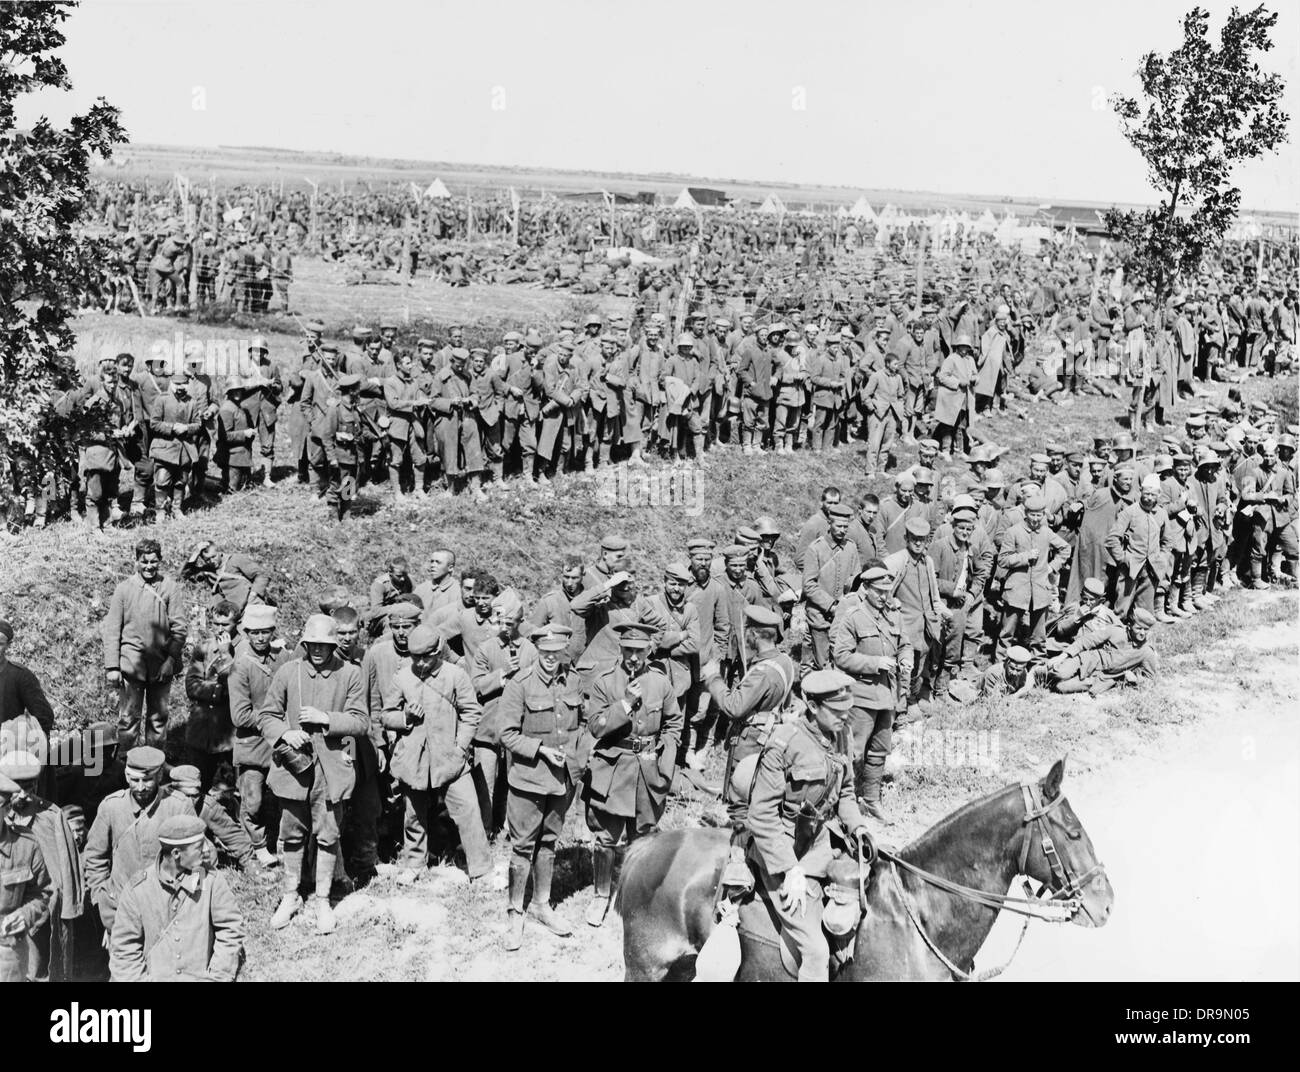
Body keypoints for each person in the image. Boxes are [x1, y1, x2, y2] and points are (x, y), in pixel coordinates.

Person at [744, 668, 869, 982]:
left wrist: (858, 828)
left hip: (820, 842)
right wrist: (789, 869)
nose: (845, 717)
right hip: (782, 849)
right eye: (837, 711)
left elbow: (848, 792)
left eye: (848, 710)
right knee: (815, 949)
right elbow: (761, 817)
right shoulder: (783, 744)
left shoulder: (841, 735)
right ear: (812, 707)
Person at [255, 614, 368, 935]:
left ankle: (322, 901)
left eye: (325, 645)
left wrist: (326, 718)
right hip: (294, 768)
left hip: (331, 770)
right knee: (290, 834)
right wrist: (285, 734)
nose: (318, 650)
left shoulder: (350, 675)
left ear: (334, 645)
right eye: (312, 644)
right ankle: (290, 896)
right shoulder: (289, 672)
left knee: (328, 834)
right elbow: (268, 714)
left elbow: (361, 722)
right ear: (304, 644)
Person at [581, 621, 681, 927]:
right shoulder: (605, 682)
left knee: (643, 836)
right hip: (614, 768)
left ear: (649, 650)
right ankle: (601, 896)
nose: (634, 657)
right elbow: (595, 726)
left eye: (639, 651)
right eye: (628, 650)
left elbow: (674, 724)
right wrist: (624, 704)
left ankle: (636, 895)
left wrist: (665, 761)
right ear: (620, 648)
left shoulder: (661, 683)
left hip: (648, 769)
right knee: (606, 837)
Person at [380, 625, 491, 886]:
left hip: (450, 758)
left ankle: (481, 869)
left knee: (468, 811)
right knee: (413, 814)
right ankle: (414, 863)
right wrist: (404, 717)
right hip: (414, 758)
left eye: (425, 657)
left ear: (438, 651)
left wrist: (460, 747)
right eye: (414, 657)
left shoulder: (455, 676)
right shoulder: (403, 677)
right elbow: (386, 715)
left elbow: (471, 713)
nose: (420, 663)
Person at [498, 624, 585, 951]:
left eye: (556, 653)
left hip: (562, 782)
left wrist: (578, 757)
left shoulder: (573, 681)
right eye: (545, 653)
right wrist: (540, 749)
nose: (551, 659)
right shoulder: (519, 684)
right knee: (523, 847)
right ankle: (515, 911)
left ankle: (541, 905)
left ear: (564, 651)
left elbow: (583, 723)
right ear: (536, 650)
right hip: (528, 780)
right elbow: (505, 734)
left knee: (549, 843)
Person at [108, 813, 244, 981]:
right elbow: (124, 949)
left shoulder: (210, 879)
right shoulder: (138, 890)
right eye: (199, 847)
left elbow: (230, 929)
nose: (207, 850)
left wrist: (217, 977)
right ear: (176, 853)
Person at [82, 746, 196, 943]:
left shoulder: (178, 806)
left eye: (148, 780)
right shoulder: (111, 807)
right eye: (135, 780)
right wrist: (105, 908)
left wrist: (188, 900)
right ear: (126, 776)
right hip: (121, 911)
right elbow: (94, 859)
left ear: (160, 776)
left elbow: (198, 856)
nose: (141, 787)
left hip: (167, 910)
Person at [831, 565, 908, 819]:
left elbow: (904, 643)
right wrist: (874, 663)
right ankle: (846, 801)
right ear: (865, 589)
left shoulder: (894, 616)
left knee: (879, 750)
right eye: (878, 592)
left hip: (887, 694)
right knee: (853, 752)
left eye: (887, 591)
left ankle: (872, 800)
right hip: (862, 695)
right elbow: (841, 656)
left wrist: (906, 658)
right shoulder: (853, 617)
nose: (884, 597)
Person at [0, 751, 82, 981]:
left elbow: (65, 875)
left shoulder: (51, 816)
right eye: (18, 788)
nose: (25, 795)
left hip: (39, 920)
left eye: (31, 787)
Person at [103, 539, 187, 751]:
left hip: (161, 666)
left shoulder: (170, 588)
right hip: (132, 666)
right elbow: (112, 628)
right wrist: (112, 667)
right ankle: (125, 765)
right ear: (136, 561)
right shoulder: (124, 589)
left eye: (153, 561)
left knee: (158, 720)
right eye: (144, 561)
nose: (149, 566)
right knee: (129, 720)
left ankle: (154, 766)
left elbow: (179, 628)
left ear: (160, 561)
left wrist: (170, 660)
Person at [996, 495, 1071, 658]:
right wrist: (1024, 557)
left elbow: (1065, 549)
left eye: (1039, 515)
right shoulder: (1013, 532)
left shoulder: (1046, 532)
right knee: (1007, 632)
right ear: (1026, 512)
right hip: (1017, 588)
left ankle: (1038, 667)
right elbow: (1002, 559)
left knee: (1039, 636)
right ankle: (1000, 665)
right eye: (1032, 514)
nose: (1036, 519)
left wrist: (1052, 567)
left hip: (1040, 589)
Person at [0, 772, 54, 983]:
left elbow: (43, 894)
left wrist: (24, 915)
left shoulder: (26, 845)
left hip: (7, 952)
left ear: (6, 809)